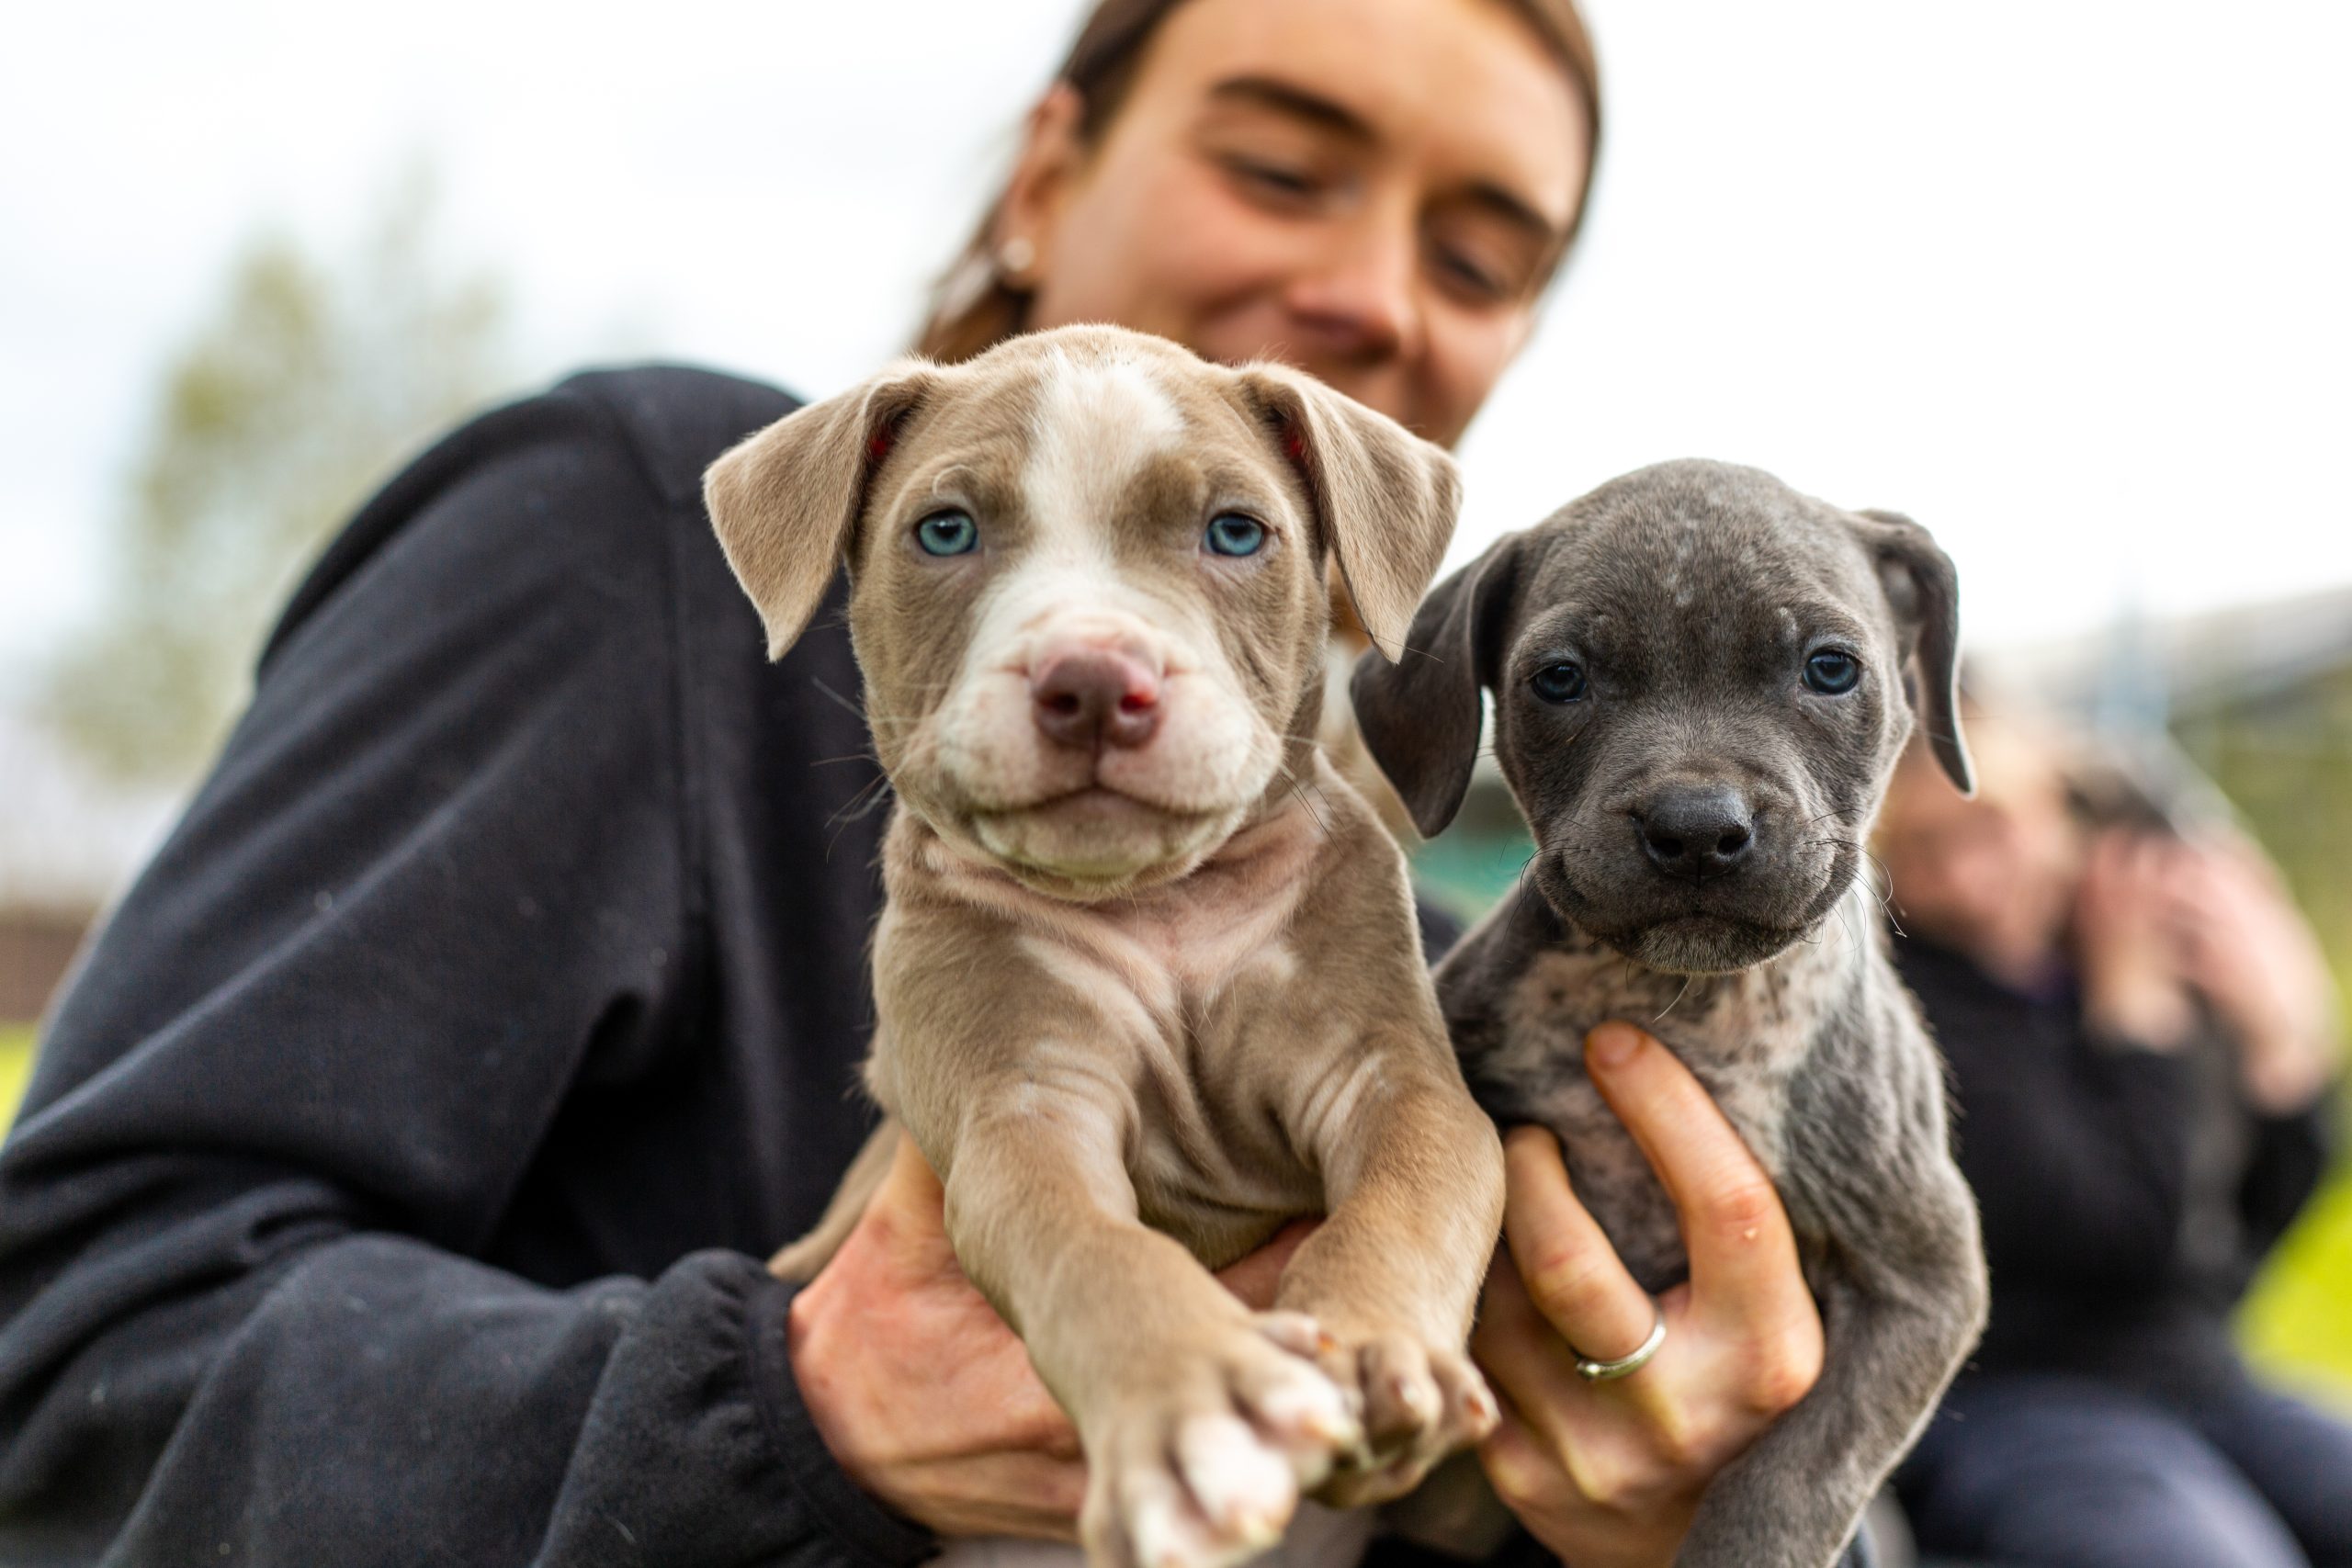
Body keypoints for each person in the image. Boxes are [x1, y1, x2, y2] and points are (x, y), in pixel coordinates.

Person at [0, 4, 1835, 1565]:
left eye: (1476, 258)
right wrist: (787, 1399)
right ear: (1044, 173)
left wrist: (1631, 1509)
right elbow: (76, 1335)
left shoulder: (1411, 909)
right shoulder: (638, 538)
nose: (1365, 287)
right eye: (1279, 166)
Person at [1874, 716, 2351, 1568]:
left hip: (2202, 1382)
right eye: (1926, 847)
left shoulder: (2087, 973)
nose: (1968, 876)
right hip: (2015, 1406)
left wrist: (2282, 1046)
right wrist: (2135, 1014)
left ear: (2068, 821)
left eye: (1993, 828)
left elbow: (2235, 1243)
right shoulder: (1917, 1015)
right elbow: (2128, 1234)